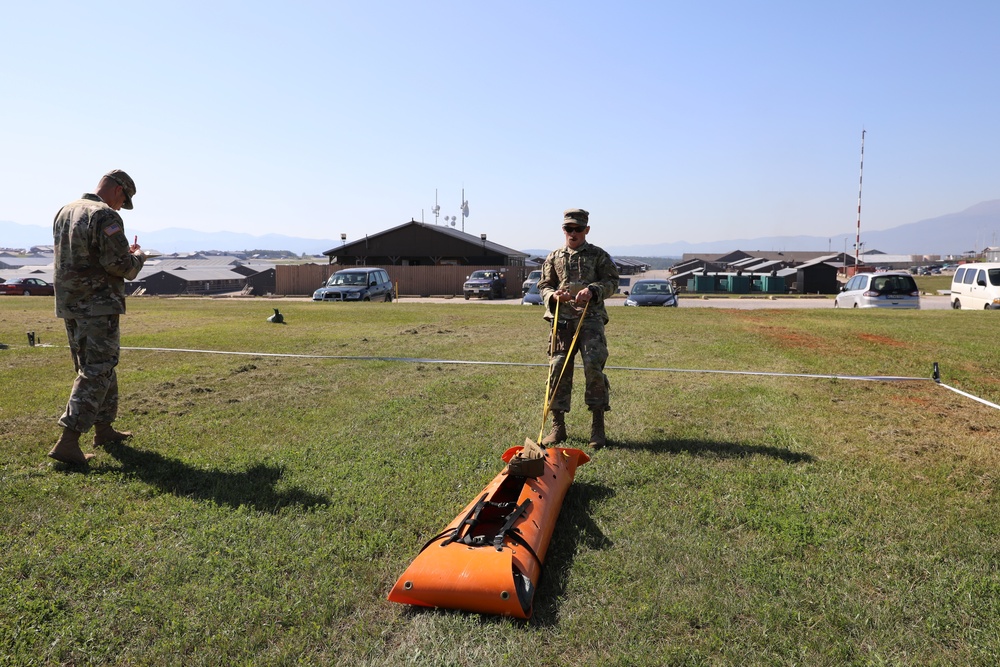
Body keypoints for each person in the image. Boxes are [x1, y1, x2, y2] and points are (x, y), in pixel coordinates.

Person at [48, 170, 146, 465]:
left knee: (97, 367)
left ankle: (103, 429)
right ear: (118, 191)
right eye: (124, 200)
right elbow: (120, 265)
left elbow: (85, 255)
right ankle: (68, 441)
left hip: (71, 303)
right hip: (97, 304)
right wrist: (138, 257)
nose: (121, 206)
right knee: (97, 370)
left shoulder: (66, 210)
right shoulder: (104, 215)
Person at [537, 208, 620, 448]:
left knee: (594, 367)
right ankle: (558, 426)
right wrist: (554, 296)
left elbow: (612, 282)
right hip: (562, 322)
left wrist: (593, 291)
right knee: (558, 368)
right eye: (568, 228)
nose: (572, 233)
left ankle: (597, 426)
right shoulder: (554, 256)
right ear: (563, 230)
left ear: (587, 230)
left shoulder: (599, 255)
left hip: (590, 319)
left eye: (578, 229)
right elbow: (544, 285)